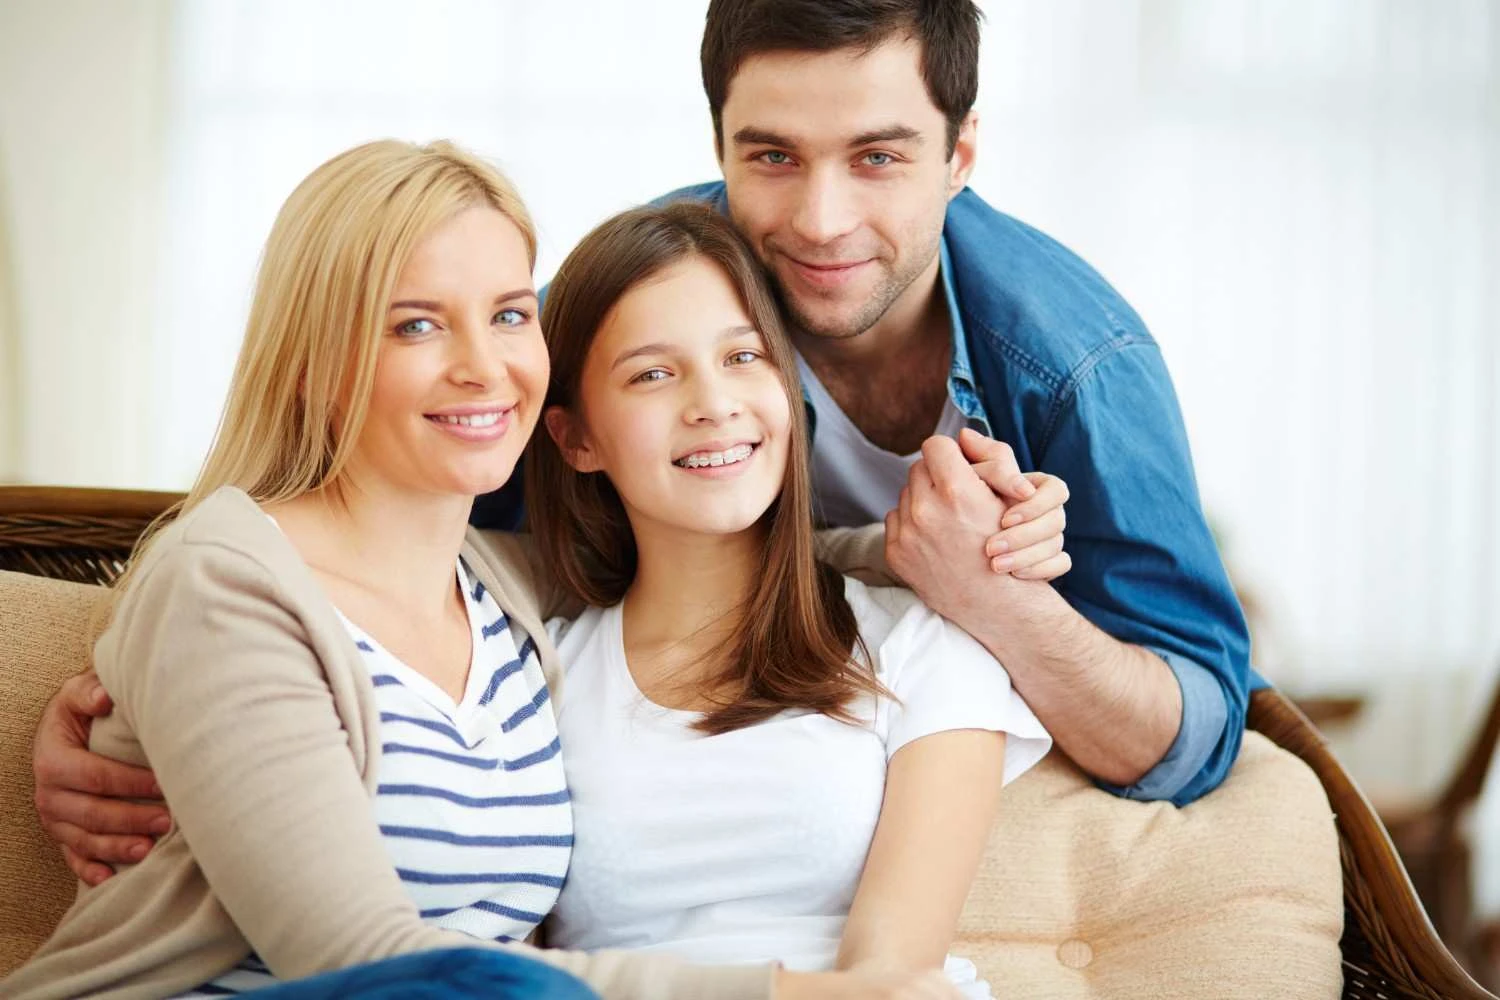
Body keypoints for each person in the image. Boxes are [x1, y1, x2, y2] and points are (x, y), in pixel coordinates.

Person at [32, 0, 1239, 875]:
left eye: (878, 157)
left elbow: (1192, 731)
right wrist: (131, 671)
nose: (820, 222)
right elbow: (400, 487)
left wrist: (1000, 604)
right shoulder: (648, 291)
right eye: (771, 156)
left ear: (960, 156)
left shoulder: (1079, 367)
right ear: (717, 144)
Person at [4, 140, 987, 1000]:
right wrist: (782, 992)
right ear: (315, 362)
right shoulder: (225, 585)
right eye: (417, 325)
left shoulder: (504, 588)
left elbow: (709, 544)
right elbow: (365, 960)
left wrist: (929, 543)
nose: (484, 365)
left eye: (510, 314)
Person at [528, 201, 1052, 999]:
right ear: (577, 439)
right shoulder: (541, 678)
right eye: (653, 374)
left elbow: (893, 978)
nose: (712, 403)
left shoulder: (922, 648)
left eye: (744, 358)